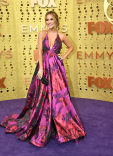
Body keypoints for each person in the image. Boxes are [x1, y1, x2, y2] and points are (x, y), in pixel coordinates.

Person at [0, 10, 86, 147]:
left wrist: (63, 57)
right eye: (47, 20)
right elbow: (40, 51)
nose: (49, 22)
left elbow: (71, 47)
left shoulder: (62, 36)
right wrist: (40, 68)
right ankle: (44, 122)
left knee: (59, 97)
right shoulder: (42, 34)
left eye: (51, 19)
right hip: (44, 67)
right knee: (42, 95)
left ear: (56, 20)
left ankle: (59, 122)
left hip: (56, 70)